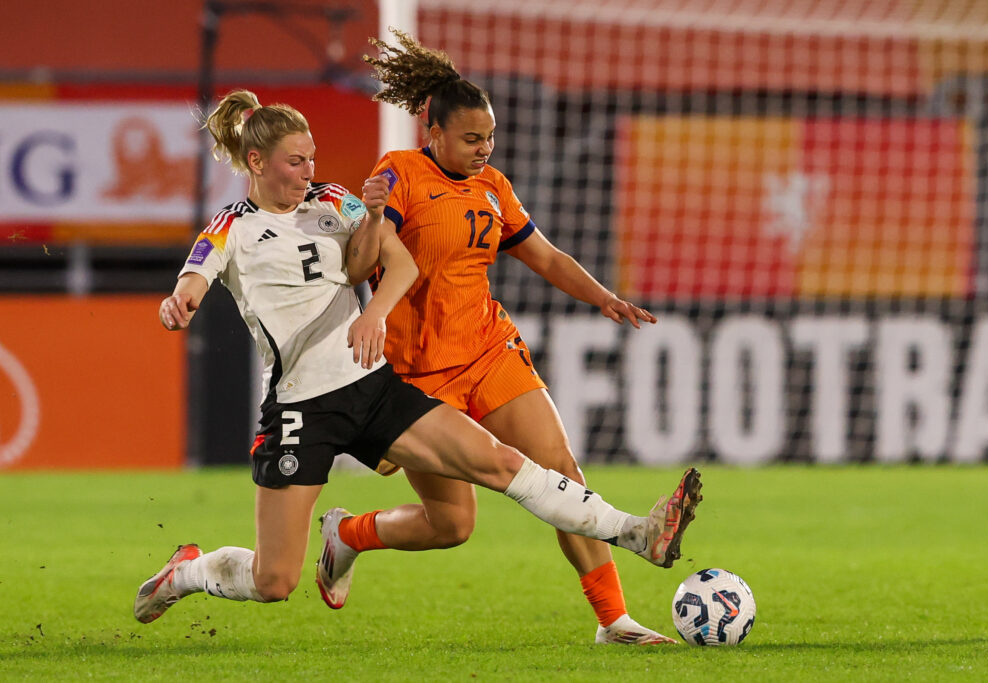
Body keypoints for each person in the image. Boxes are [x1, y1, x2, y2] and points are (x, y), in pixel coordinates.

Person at [133, 89, 699, 625]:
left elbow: (395, 264)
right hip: (302, 410)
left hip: (373, 387)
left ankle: (636, 533)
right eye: (295, 163)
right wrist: (179, 304)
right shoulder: (231, 228)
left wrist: (374, 303)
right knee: (275, 579)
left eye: (312, 159)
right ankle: (188, 572)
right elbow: (193, 279)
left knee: (500, 464)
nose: (308, 173)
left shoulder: (335, 201)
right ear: (256, 161)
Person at [309, 31, 702, 646]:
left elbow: (544, 257)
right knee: (453, 525)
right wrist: (374, 212)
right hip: (418, 374)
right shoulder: (399, 174)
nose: (482, 148)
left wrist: (603, 296)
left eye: (488, 137)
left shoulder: (494, 186)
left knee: (561, 470)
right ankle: (349, 534)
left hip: (490, 349)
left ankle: (614, 621)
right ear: (431, 132)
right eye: (470, 138)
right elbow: (358, 270)